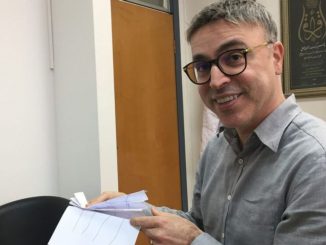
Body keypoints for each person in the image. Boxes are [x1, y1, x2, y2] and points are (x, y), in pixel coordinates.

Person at [89, 0, 326, 244]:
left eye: (234, 57)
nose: (215, 81)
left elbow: (196, 235)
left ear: (276, 57)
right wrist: (136, 212)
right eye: (203, 66)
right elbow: (200, 224)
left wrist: (193, 240)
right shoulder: (217, 147)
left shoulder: (316, 161)